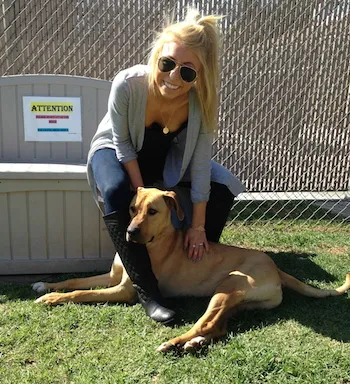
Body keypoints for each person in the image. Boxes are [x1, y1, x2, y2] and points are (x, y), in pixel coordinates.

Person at [86, 9, 245, 324]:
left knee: (222, 186)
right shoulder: (128, 84)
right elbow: (123, 144)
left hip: (164, 159)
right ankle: (147, 291)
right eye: (168, 64)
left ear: (200, 75)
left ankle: (192, 266)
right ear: (157, 56)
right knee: (117, 191)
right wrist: (140, 187)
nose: (174, 78)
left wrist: (198, 227)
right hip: (114, 151)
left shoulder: (200, 104)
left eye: (187, 72)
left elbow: (199, 167)